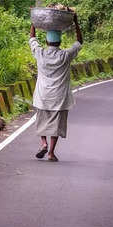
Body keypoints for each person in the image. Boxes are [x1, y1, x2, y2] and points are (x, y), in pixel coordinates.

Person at [29, 12, 82, 162]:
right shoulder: (65, 55)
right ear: (59, 42)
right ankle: (51, 153)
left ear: (46, 41)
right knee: (56, 125)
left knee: (42, 121)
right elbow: (79, 42)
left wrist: (35, 21)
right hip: (59, 97)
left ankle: (43, 143)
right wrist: (76, 23)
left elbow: (32, 39)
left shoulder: (40, 53)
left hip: (43, 95)